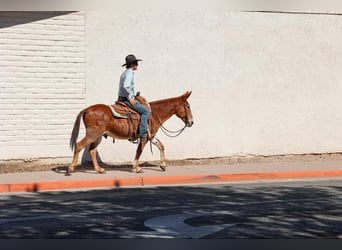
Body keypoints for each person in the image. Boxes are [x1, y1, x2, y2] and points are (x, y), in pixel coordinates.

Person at [118, 54, 150, 140]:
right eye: (136, 63)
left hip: (121, 98)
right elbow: (126, 86)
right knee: (145, 112)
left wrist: (135, 94)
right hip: (126, 99)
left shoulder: (125, 73)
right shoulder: (130, 73)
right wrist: (130, 98)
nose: (137, 65)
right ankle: (143, 134)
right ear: (132, 64)